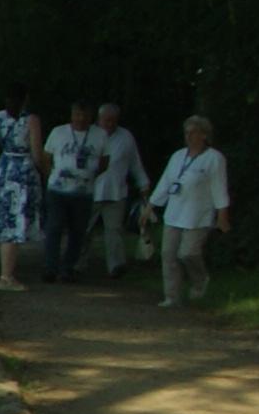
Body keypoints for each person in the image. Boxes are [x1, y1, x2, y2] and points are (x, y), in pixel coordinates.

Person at [155, 114, 234, 304]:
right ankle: (171, 296)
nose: (189, 136)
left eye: (193, 132)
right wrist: (151, 205)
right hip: (174, 212)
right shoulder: (177, 156)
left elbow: (219, 188)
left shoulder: (214, 158)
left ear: (204, 135)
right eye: (186, 132)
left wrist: (222, 215)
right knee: (168, 254)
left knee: (188, 253)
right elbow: (165, 182)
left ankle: (200, 280)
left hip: (198, 215)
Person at [0, 108, 42, 291]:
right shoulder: (30, 119)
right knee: (12, 220)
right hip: (20, 171)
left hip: (0, 169)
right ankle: (6, 277)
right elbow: (36, 153)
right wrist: (42, 170)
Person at [39, 102, 101, 284]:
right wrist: (51, 176)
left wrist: (89, 176)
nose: (81, 119)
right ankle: (50, 267)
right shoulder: (58, 132)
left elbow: (104, 161)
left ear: (90, 117)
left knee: (78, 231)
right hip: (58, 190)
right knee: (54, 226)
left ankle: (68, 268)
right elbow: (46, 157)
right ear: (72, 115)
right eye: (77, 115)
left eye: (85, 115)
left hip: (83, 192)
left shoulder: (99, 135)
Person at [93, 102, 153, 281]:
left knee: (114, 230)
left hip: (116, 192)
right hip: (91, 191)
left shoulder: (126, 137)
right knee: (83, 230)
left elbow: (135, 163)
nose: (110, 124)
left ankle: (116, 266)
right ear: (99, 119)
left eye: (113, 120)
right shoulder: (90, 135)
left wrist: (143, 184)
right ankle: (76, 265)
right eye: (106, 120)